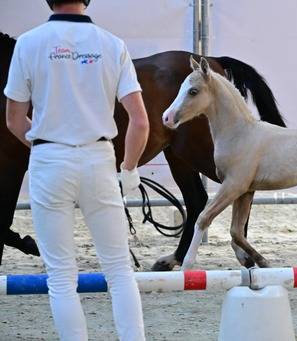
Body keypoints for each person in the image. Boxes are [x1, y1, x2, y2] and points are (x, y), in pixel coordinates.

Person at [4, 0, 148, 339]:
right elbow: (140, 122)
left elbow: (13, 119)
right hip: (98, 159)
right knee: (118, 270)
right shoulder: (112, 44)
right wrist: (128, 169)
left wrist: (44, 145)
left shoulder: (29, 42)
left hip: (50, 162)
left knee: (60, 275)